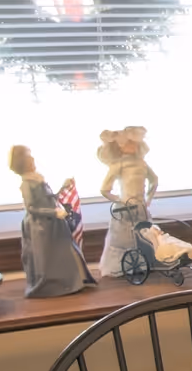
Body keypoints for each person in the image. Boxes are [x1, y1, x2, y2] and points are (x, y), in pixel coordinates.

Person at [11, 146, 94, 298]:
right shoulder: (27, 184)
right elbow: (32, 208)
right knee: (48, 260)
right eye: (28, 157)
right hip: (41, 226)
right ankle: (51, 286)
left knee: (67, 252)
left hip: (54, 224)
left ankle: (74, 281)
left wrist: (62, 188)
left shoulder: (38, 179)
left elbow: (48, 199)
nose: (33, 159)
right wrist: (53, 212)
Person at [96, 125, 157, 277]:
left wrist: (148, 199)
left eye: (134, 143)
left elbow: (154, 181)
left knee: (143, 235)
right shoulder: (118, 165)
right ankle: (124, 265)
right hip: (125, 208)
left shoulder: (142, 163)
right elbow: (104, 189)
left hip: (140, 206)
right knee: (125, 238)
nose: (132, 146)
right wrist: (119, 200)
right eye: (128, 143)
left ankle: (144, 263)